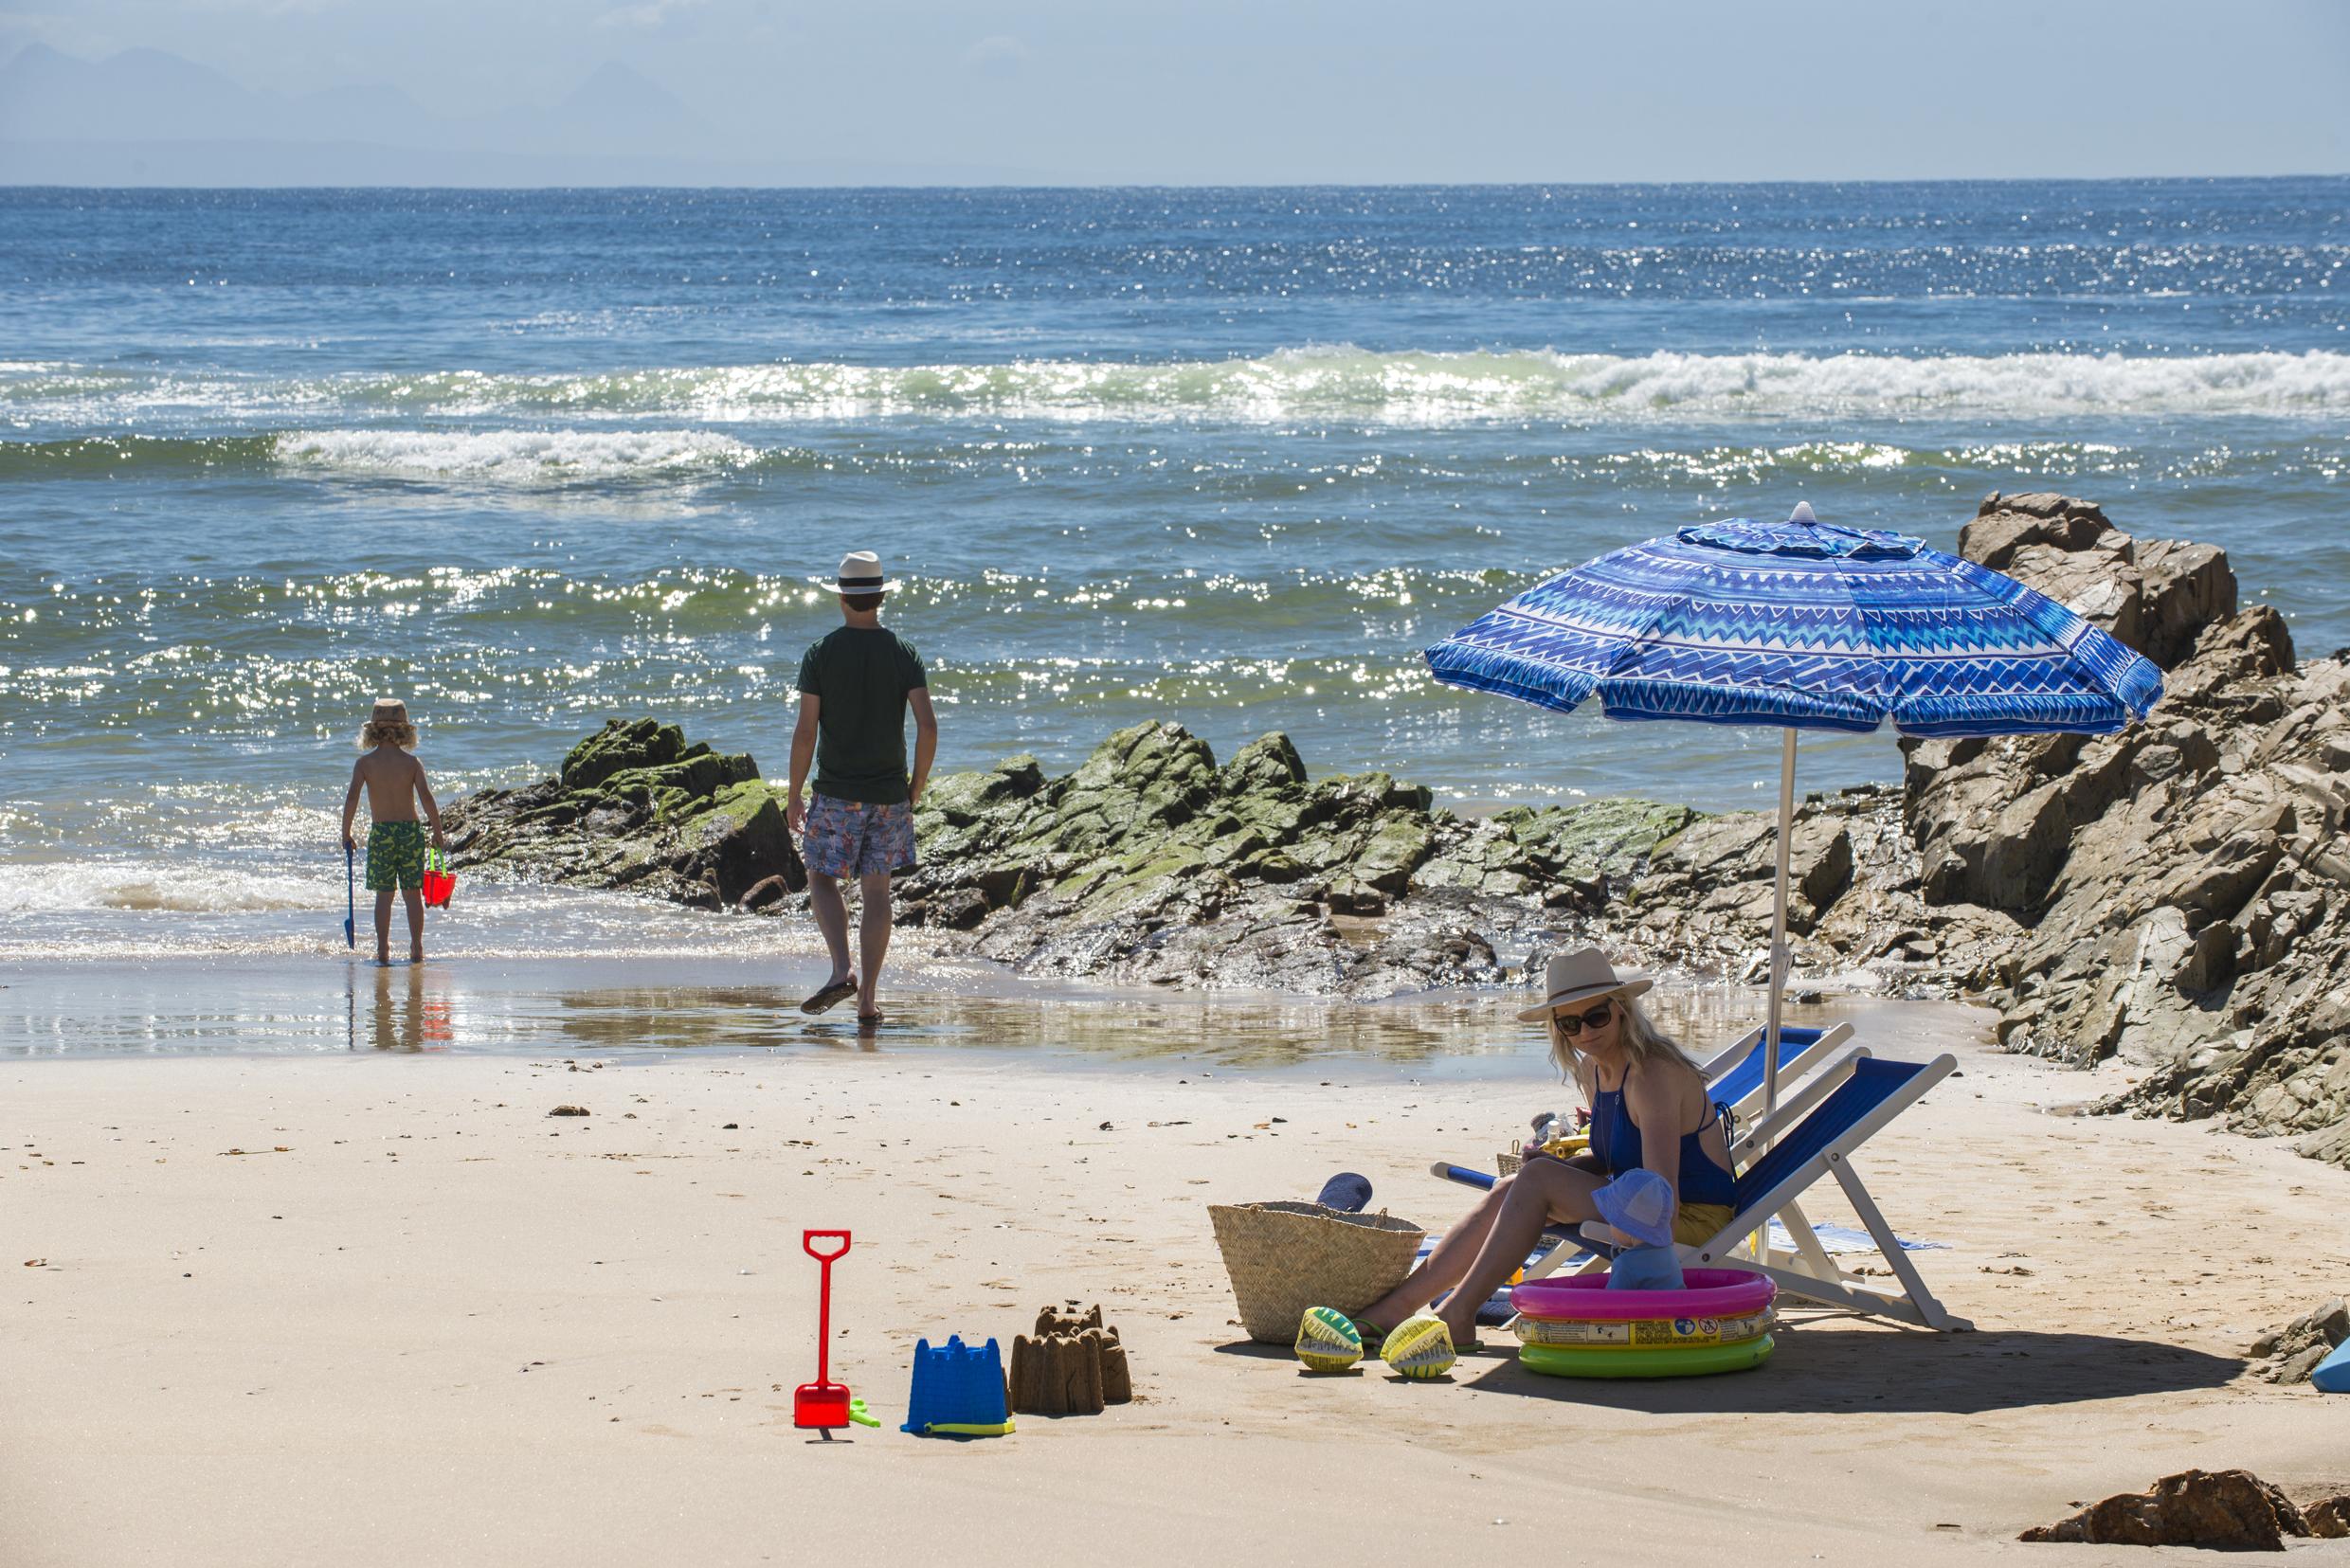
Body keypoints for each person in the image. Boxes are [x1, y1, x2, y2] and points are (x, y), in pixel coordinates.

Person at [1346, 946, 1736, 1356]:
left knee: (1531, 1182)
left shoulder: (1652, 1075)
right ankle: (1400, 1307)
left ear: (1621, 1009)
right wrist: (1560, 1168)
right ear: (1558, 1028)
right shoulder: (1595, 1070)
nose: (1585, 1032)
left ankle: (1457, 1313)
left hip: (1690, 1219)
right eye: (1570, 1022)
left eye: (1596, 1016)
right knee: (1508, 1188)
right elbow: (1612, 1159)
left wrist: (1549, 1181)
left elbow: (1662, 1201)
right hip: (1641, 1204)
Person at [787, 550, 938, 1024]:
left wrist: (794, 794)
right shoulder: (903, 652)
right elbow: (928, 726)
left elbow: (807, 730)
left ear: (842, 599)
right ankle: (869, 1000)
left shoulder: (821, 653)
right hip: (890, 794)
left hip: (836, 793)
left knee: (820, 877)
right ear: (880, 597)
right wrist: (915, 785)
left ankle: (841, 970)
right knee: (878, 893)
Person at [339, 697, 445, 965]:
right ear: (405, 731)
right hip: (410, 832)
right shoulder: (411, 763)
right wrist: (438, 832)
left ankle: (383, 948)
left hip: (382, 834)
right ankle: (417, 947)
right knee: (412, 894)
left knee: (384, 895)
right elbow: (427, 798)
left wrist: (346, 832)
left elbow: (352, 798)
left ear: (372, 731)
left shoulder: (364, 764)